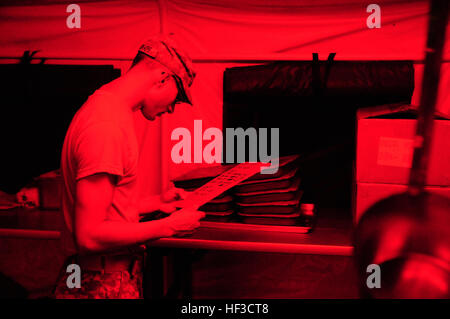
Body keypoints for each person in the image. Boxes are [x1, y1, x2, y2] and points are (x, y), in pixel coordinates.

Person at [53, 35, 205, 299]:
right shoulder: (106, 126)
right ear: (162, 77)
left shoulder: (106, 110)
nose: (172, 109)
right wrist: (170, 226)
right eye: (177, 97)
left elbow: (104, 210)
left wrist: (156, 203)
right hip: (100, 285)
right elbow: (89, 235)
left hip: (102, 279)